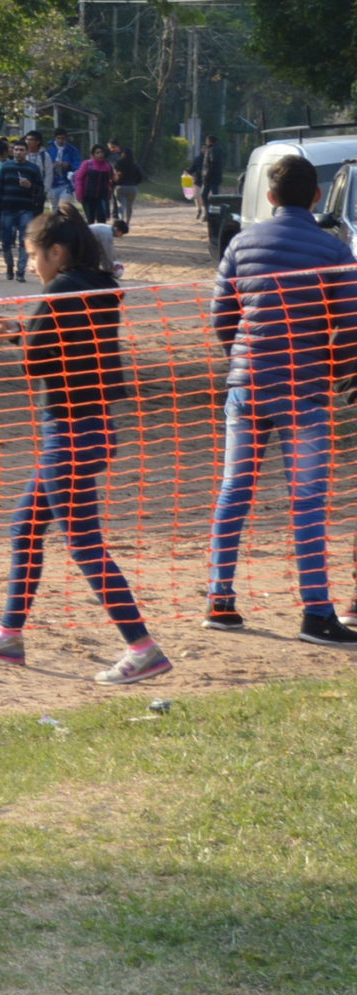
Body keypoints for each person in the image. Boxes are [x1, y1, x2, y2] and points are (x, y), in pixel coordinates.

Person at [0, 205, 171, 685]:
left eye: (34, 255)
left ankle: (142, 647)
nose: (32, 264)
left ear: (56, 252)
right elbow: (64, 344)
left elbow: (38, 362)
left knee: (84, 543)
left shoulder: (59, 290)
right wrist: (22, 332)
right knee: (26, 526)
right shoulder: (99, 287)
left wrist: (16, 339)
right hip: (91, 428)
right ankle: (8, 634)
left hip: (72, 433)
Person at [205, 154, 357, 643]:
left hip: (246, 388)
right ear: (316, 197)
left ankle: (220, 600)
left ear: (269, 197)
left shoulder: (241, 242)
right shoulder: (335, 252)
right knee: (307, 502)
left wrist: (243, 359)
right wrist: (332, 371)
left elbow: (220, 316)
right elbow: (352, 327)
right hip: (305, 393)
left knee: (234, 492)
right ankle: (316, 614)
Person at [0, 138, 49, 282]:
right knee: (6, 241)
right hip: (7, 209)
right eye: (16, 149)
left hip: (26, 210)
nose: (18, 152)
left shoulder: (33, 169)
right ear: (12, 151)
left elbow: (40, 191)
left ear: (27, 152)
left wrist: (30, 186)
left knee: (25, 240)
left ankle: (21, 270)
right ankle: (9, 266)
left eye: (22, 150)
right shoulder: (6, 167)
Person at [73, 143, 117, 225]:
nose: (100, 155)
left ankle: (101, 236)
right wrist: (79, 194)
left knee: (102, 218)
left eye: (101, 152)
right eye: (97, 153)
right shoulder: (87, 164)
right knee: (90, 219)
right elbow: (79, 179)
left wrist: (109, 193)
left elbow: (110, 181)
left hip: (100, 197)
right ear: (93, 154)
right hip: (87, 197)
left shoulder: (107, 166)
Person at [111, 140, 144, 233]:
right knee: (129, 206)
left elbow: (115, 175)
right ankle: (127, 223)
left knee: (121, 205)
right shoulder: (135, 165)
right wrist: (135, 183)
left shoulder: (118, 163)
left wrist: (113, 183)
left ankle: (121, 221)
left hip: (120, 187)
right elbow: (141, 176)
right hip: (132, 188)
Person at [186, 134, 225, 214]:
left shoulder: (212, 150)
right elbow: (194, 167)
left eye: (207, 141)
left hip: (210, 178)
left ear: (210, 141)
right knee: (205, 195)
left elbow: (212, 164)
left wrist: (207, 175)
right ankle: (207, 212)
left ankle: (214, 213)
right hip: (205, 178)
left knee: (213, 196)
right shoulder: (212, 151)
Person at [42, 127, 80, 200]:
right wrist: (52, 166)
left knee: (65, 205)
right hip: (53, 183)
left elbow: (77, 164)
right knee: (54, 208)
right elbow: (44, 165)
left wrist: (69, 165)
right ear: (55, 138)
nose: (60, 140)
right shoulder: (49, 150)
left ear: (66, 138)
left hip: (67, 183)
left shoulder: (72, 150)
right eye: (58, 138)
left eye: (63, 138)